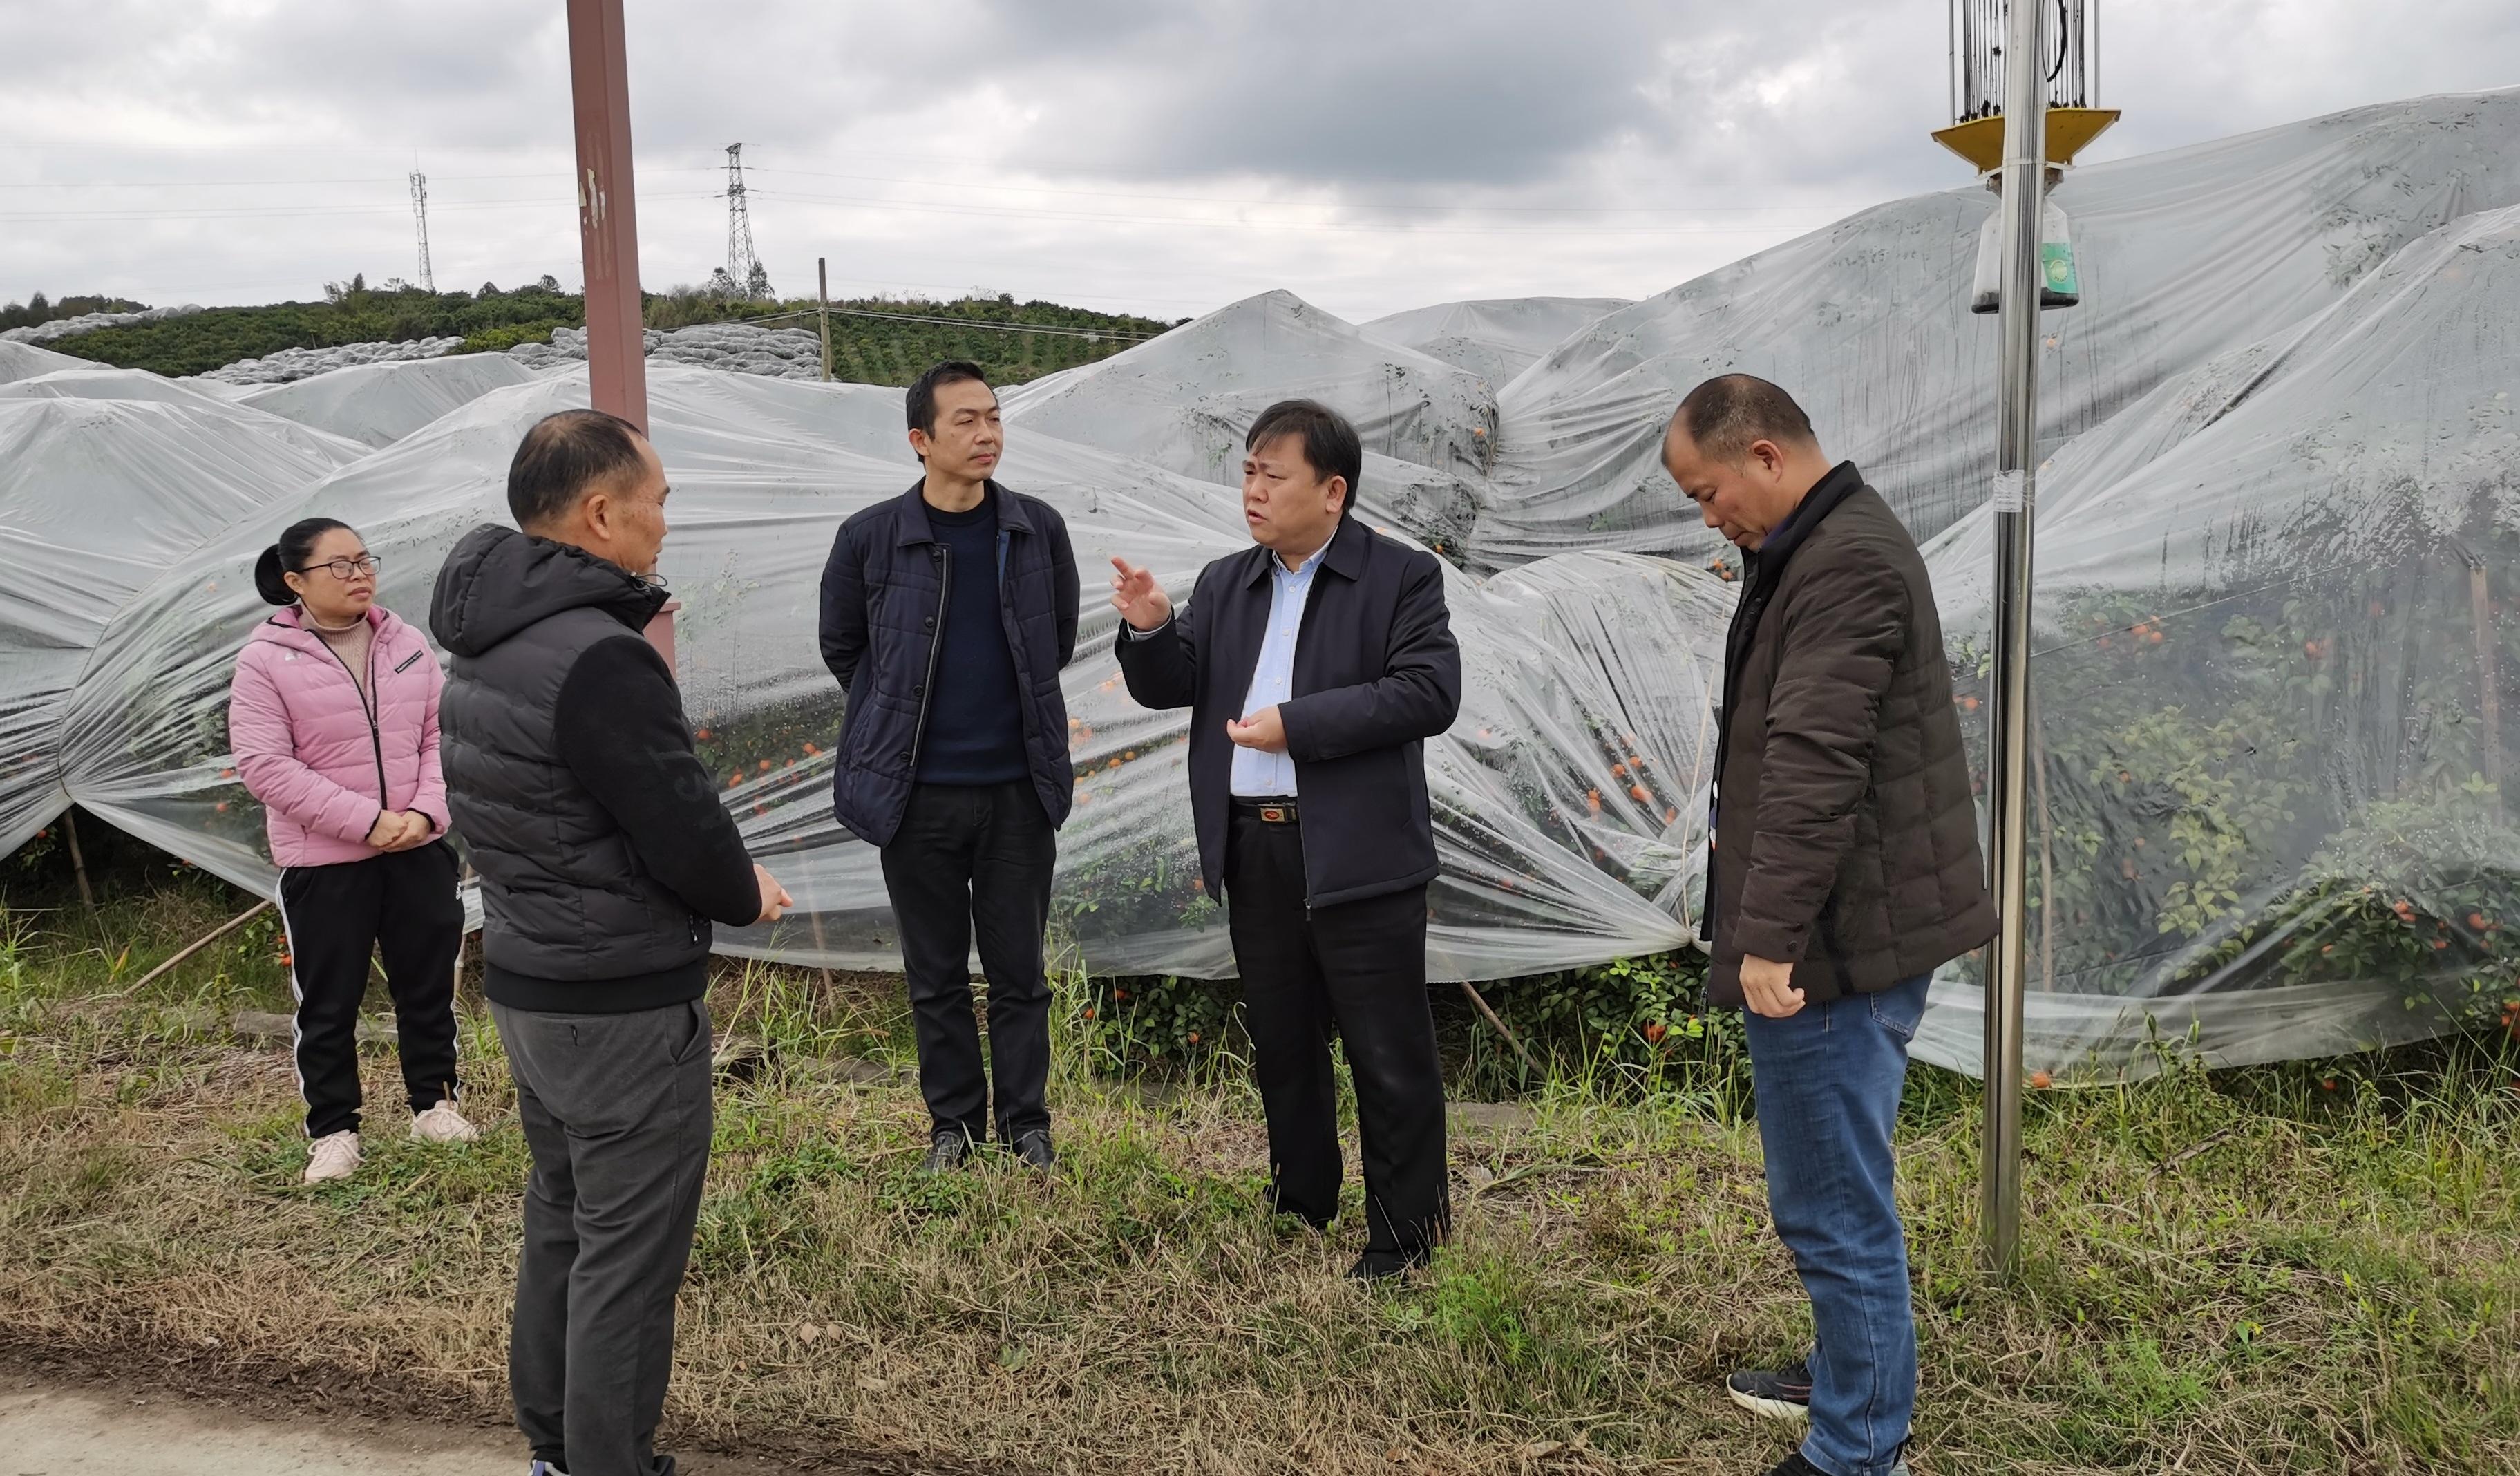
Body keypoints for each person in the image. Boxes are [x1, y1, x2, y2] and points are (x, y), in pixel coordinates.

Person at [431, 409, 792, 1476]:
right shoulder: (599, 657)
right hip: (621, 1002)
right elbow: (679, 826)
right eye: (659, 502)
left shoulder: (488, 642)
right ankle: (605, 1464)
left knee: (564, 1221)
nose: (665, 524)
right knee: (629, 1253)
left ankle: (554, 1447)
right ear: (600, 511)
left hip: (532, 981)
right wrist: (744, 889)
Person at [1664, 375, 1995, 1476]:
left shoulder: (1841, 560)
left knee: (1830, 1204)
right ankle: (1848, 1372)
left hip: (1833, 945)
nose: (1709, 518)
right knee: (1839, 1182)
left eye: (1708, 493)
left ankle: (1855, 1449)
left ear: (1762, 455)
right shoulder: (1819, 543)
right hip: (1857, 921)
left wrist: (1767, 939)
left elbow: (1814, 764)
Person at [1110, 399, 1461, 1281]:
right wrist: (1150, 627)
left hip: (1357, 854)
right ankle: (1302, 1201)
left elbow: (1427, 693)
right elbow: (1176, 685)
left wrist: (1296, 726)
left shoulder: (1398, 578)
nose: (1252, 492)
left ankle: (1405, 1237)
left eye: (1273, 475)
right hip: (1254, 842)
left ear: (1332, 491)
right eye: (1246, 473)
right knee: (1282, 1041)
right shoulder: (1229, 581)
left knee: (1387, 1050)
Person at [818, 360, 1079, 1173]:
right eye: (964, 421)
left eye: (993, 417)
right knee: (933, 974)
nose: (986, 433)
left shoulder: (1037, 529)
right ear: (920, 441)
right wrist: (895, 715)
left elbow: (1055, 641)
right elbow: (844, 647)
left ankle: (1025, 1126)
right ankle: (953, 1129)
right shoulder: (870, 539)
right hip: (916, 796)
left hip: (1016, 793)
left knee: (1018, 974)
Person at [229, 516, 474, 1186]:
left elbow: (440, 734)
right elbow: (265, 767)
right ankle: (334, 1131)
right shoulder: (266, 660)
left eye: (363, 559)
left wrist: (423, 812)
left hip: (417, 849)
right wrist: (369, 823)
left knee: (426, 987)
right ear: (294, 582)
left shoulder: (405, 644)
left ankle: (435, 1104)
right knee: (328, 1002)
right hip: (325, 861)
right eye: (338, 565)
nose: (359, 573)